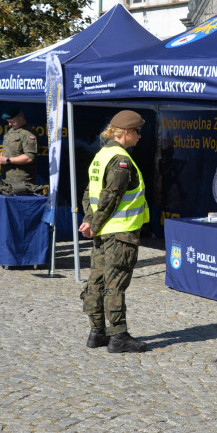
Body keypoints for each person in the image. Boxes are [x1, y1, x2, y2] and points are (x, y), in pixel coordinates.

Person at [79, 111, 150, 353]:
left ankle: (97, 332)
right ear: (127, 132)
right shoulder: (121, 160)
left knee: (96, 282)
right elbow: (110, 197)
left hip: (104, 233)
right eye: (138, 131)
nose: (140, 136)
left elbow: (89, 193)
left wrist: (91, 220)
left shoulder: (102, 155)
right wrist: (94, 223)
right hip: (120, 233)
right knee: (114, 284)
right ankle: (118, 336)